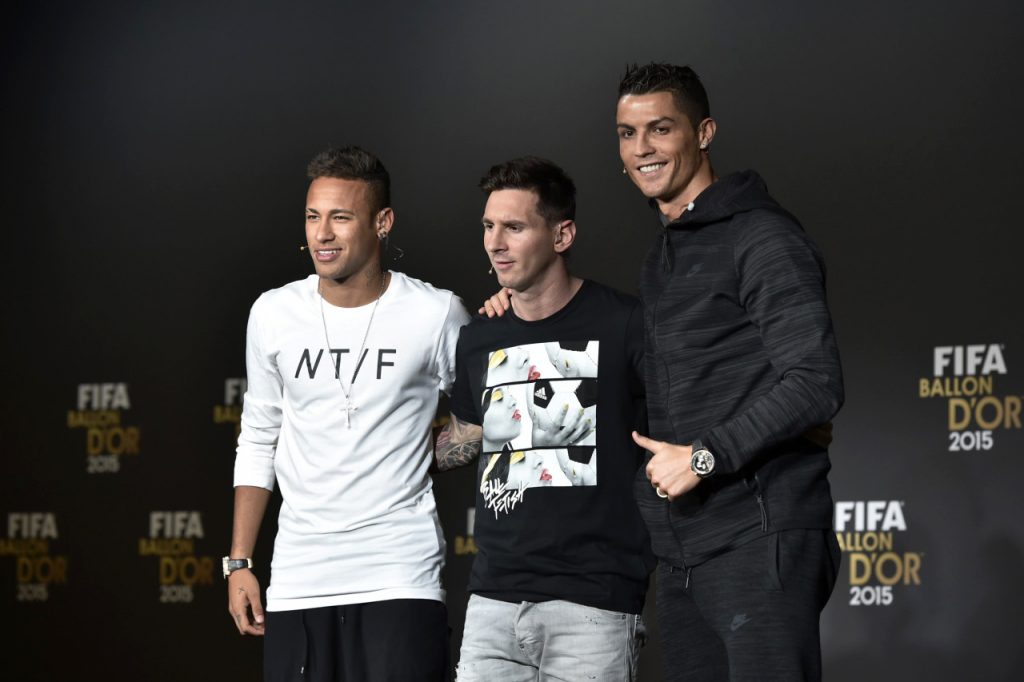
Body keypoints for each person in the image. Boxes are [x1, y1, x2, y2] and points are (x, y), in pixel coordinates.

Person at [617, 62, 845, 681]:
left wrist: (702, 458)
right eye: (628, 134)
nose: (642, 149)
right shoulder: (663, 254)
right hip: (687, 548)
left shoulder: (762, 236)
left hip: (760, 533)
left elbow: (815, 381)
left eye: (660, 129)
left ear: (704, 133)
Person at [226, 146, 470, 682]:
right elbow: (259, 435)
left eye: (340, 217)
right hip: (299, 577)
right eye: (312, 216)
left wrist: (416, 455)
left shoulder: (436, 313)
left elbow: (478, 416)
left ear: (383, 222)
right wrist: (239, 562)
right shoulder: (273, 313)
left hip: (400, 573)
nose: (322, 234)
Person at [436, 157, 654, 681]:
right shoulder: (479, 336)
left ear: (562, 235)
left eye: (514, 227)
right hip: (492, 603)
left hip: (593, 603)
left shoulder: (624, 323)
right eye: (488, 226)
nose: (495, 243)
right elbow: (464, 439)